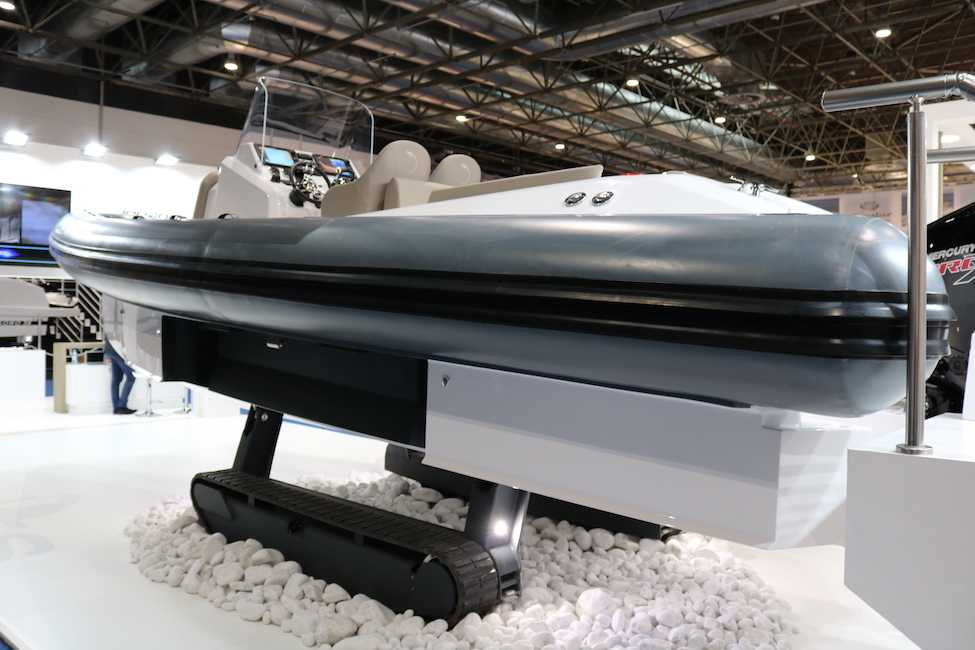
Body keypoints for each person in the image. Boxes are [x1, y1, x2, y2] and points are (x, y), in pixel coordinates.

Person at [104, 340, 136, 414]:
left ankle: (116, 407)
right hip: (120, 351)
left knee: (116, 380)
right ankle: (122, 406)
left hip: (111, 350)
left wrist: (107, 354)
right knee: (131, 377)